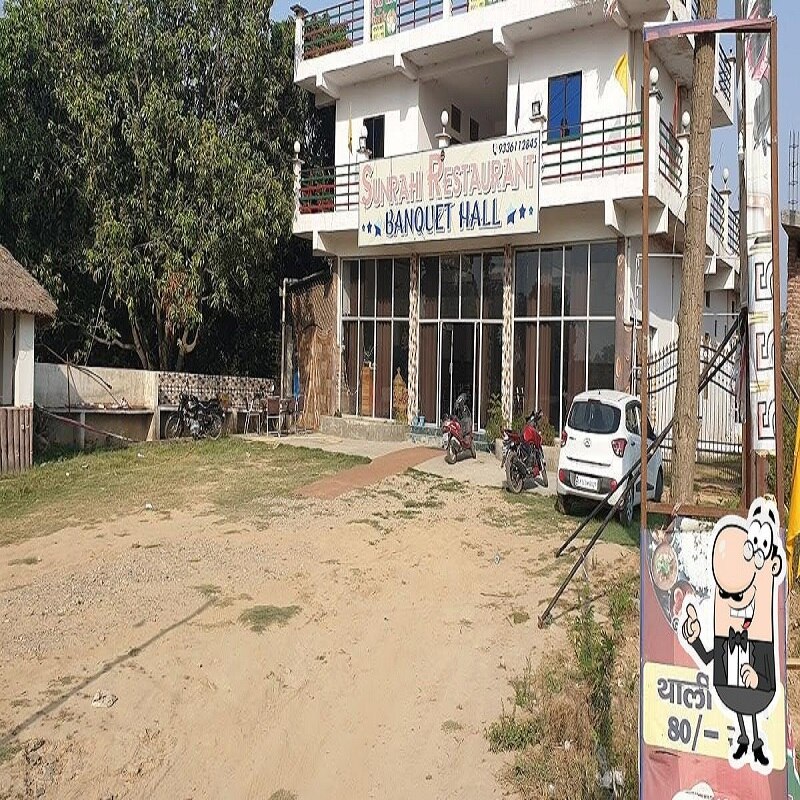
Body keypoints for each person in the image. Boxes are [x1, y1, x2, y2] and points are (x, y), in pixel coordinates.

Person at [682, 498, 785, 771]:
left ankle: (757, 742)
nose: (734, 602)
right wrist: (694, 639)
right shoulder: (724, 634)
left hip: (757, 694)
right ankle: (744, 738)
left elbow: (769, 677)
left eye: (739, 594)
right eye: (726, 594)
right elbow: (708, 658)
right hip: (730, 691)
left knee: (751, 708)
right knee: (741, 707)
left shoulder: (762, 637)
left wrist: (757, 677)